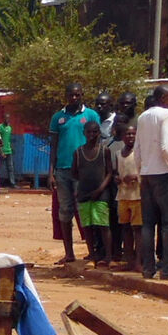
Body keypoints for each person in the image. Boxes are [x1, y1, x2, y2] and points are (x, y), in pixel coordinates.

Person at [48, 83, 100, 264]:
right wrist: (51, 172)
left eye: (77, 95)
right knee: (65, 211)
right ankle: (69, 253)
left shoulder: (91, 115)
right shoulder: (58, 117)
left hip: (84, 171)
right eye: (71, 95)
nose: (74, 98)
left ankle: (92, 252)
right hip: (62, 170)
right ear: (66, 96)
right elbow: (54, 146)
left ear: (82, 95)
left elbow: (97, 143)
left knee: (84, 209)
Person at [134, 84, 168, 280]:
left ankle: (148, 269)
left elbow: (137, 150)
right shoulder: (167, 115)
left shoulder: (142, 117)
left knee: (148, 224)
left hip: (146, 175)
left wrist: (140, 172)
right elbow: (165, 147)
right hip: (164, 174)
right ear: (162, 98)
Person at [72, 120, 114, 267]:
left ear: (99, 133)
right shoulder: (78, 152)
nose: (92, 134)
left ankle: (108, 257)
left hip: (101, 194)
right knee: (87, 226)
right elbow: (74, 173)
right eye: (89, 132)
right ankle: (92, 255)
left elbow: (109, 173)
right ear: (84, 133)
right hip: (84, 194)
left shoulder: (104, 151)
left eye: (95, 132)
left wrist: (100, 189)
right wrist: (84, 187)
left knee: (103, 225)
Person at [113, 124, 142, 274]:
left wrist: (136, 177)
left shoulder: (139, 153)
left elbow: (145, 171)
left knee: (138, 229)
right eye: (128, 134)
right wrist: (117, 178)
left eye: (133, 134)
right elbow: (116, 172)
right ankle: (129, 261)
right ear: (122, 136)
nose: (130, 136)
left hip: (137, 195)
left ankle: (138, 262)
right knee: (125, 228)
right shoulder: (118, 154)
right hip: (122, 195)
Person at [0, 113, 16, 188]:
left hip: (9, 150)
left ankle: (12, 183)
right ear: (3, 119)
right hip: (2, 150)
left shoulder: (9, 128)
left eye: (8, 118)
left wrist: (11, 147)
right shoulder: (0, 127)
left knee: (10, 167)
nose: (7, 120)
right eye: (5, 118)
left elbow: (9, 139)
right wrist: (1, 150)